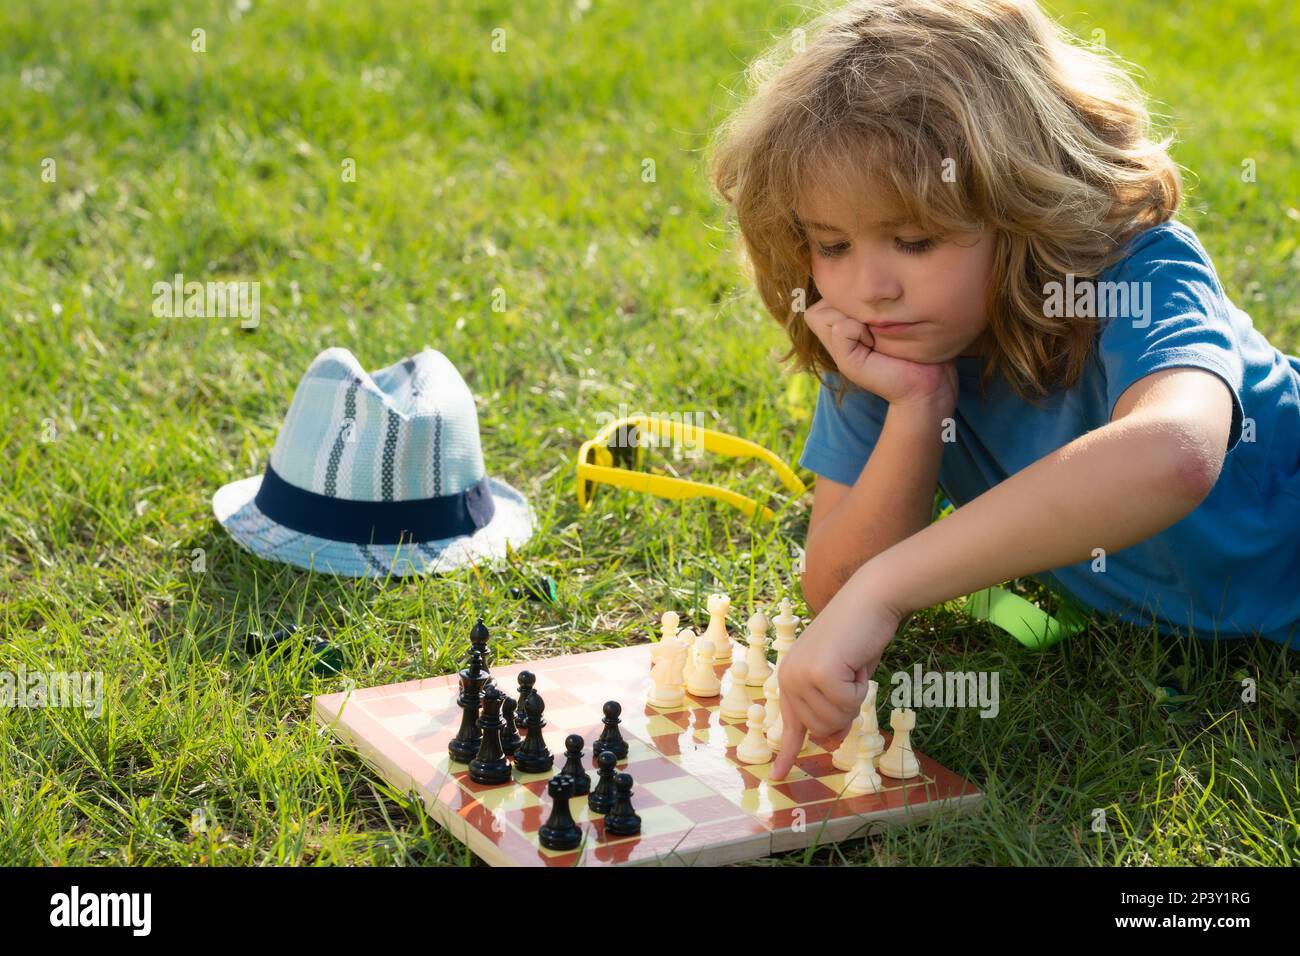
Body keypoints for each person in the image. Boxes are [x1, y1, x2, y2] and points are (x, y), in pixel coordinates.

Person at [705, 0, 1300, 778]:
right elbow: (834, 585)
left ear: (1021, 206)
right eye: (832, 245)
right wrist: (918, 408)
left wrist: (888, 590)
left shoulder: (1136, 273)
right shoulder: (891, 348)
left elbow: (1174, 455)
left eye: (914, 240)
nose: (869, 286)